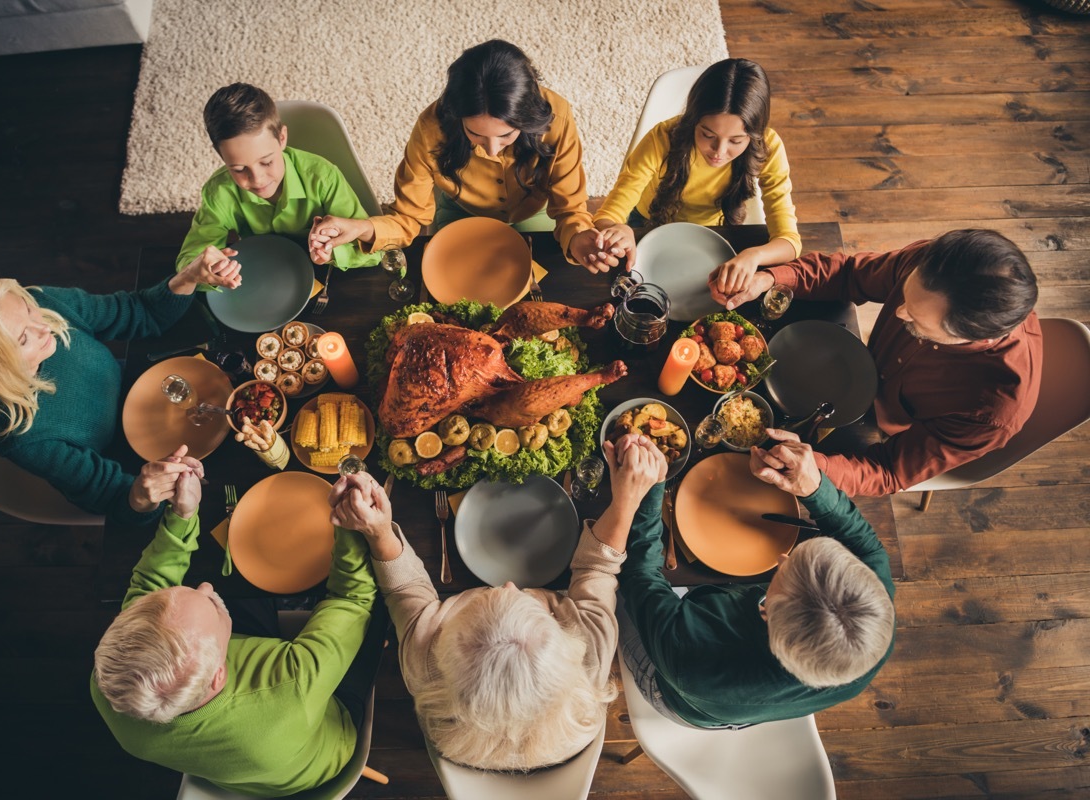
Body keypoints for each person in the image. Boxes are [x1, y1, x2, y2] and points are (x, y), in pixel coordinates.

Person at [328, 434, 667, 770]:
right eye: (526, 602)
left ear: (443, 647)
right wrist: (627, 500)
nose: (508, 586)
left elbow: (405, 591)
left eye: (486, 601)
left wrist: (378, 530)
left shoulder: (424, 664)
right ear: (567, 646)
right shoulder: (589, 660)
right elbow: (598, 569)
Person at [91, 462, 381, 796]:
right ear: (218, 674)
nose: (205, 587)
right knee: (381, 608)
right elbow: (353, 598)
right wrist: (347, 523)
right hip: (329, 745)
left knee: (238, 585)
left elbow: (148, 592)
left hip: (243, 759)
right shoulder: (291, 686)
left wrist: (183, 516)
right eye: (211, 607)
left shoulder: (113, 679)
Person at [711, 228, 1043, 496]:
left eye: (915, 320)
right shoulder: (937, 264)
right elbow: (849, 274)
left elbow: (888, 470)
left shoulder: (992, 411)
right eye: (906, 298)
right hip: (842, 366)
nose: (897, 314)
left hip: (881, 426)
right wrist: (771, 279)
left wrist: (816, 468)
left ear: (976, 338)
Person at [0, 255, 237, 524]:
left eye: (27, 310)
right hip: (134, 460)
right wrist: (142, 493)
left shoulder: (43, 304)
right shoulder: (24, 437)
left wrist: (188, 277)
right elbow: (112, 499)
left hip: (154, 398)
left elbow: (140, 312)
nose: (45, 326)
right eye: (24, 338)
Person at [617, 429, 895, 728]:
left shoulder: (696, 661)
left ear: (765, 612)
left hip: (674, 690)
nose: (783, 558)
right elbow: (865, 545)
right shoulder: (874, 610)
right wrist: (814, 487)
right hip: (749, 693)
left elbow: (641, 578)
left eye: (783, 575)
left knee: (617, 590)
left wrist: (650, 489)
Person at [307, 39, 618, 273]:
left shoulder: (557, 116)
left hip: (533, 211)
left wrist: (579, 238)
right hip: (461, 212)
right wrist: (359, 228)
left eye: (507, 135)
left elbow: (569, 211)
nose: (491, 149)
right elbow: (409, 219)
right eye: (476, 134)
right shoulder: (430, 129)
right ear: (457, 119)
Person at [591, 58, 800, 280]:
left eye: (736, 141)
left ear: (754, 135)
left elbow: (789, 241)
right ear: (693, 121)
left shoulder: (769, 148)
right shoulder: (662, 138)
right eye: (708, 135)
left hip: (716, 229)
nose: (719, 151)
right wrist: (617, 229)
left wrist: (754, 255)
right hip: (647, 222)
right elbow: (608, 215)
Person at [176, 82, 381, 276]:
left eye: (266, 162)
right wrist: (206, 271)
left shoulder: (323, 178)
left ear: (282, 138)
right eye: (238, 169)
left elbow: (375, 251)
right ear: (221, 156)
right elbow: (189, 260)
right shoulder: (219, 191)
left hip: (328, 272)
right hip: (262, 270)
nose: (257, 180)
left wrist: (332, 253)